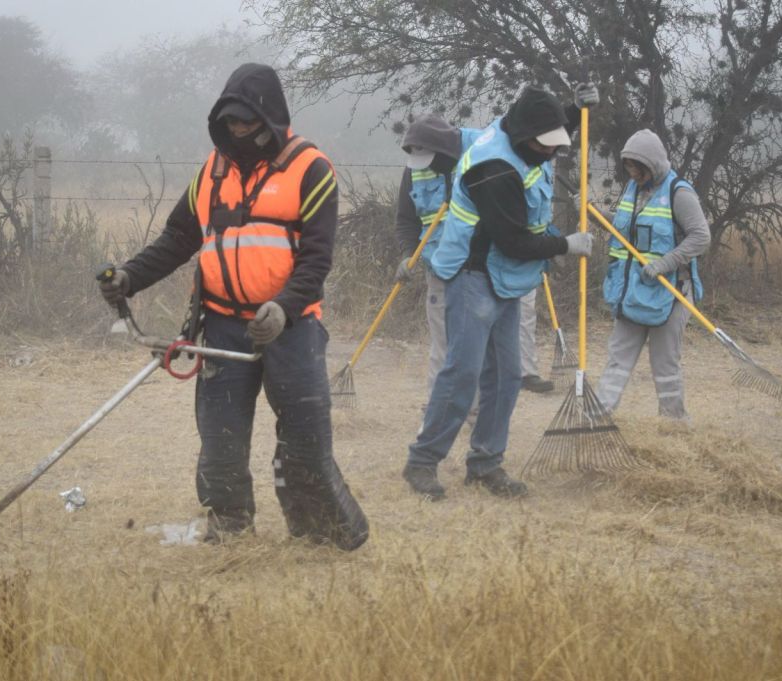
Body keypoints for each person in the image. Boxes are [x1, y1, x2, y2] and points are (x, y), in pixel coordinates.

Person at [98, 63, 369, 550]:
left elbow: (317, 258)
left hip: (292, 328)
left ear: (270, 118)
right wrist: (131, 276)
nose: (238, 130)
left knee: (306, 437)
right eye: (230, 122)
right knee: (220, 437)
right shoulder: (211, 172)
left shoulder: (312, 170)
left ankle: (320, 532)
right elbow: (180, 236)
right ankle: (229, 524)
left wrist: (284, 308)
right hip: (222, 325)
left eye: (247, 122)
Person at [401, 84, 599, 500]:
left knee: (508, 376)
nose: (551, 153)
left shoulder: (508, 135)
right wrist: (567, 244)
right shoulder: (493, 170)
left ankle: (485, 463)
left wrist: (574, 110)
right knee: (463, 373)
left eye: (553, 144)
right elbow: (515, 242)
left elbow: (543, 128)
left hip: (506, 277)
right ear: (524, 138)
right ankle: (422, 461)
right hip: (472, 275)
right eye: (545, 146)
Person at [396, 117, 555, 395]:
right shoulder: (415, 169)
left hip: (484, 269)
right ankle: (441, 407)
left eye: (432, 161)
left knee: (485, 346)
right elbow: (406, 219)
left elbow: (519, 207)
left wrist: (540, 245)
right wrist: (407, 255)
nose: (428, 167)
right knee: (443, 344)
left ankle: (479, 409)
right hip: (439, 267)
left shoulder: (487, 155)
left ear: (446, 152)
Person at [595, 129, 711, 421]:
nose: (632, 173)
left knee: (664, 364)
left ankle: (673, 424)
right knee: (618, 358)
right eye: (628, 166)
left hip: (670, 293)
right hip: (633, 292)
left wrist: (665, 263)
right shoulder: (633, 190)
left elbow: (701, 237)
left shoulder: (679, 193)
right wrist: (593, 213)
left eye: (637, 167)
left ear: (652, 164)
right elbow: (622, 231)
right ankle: (595, 417)